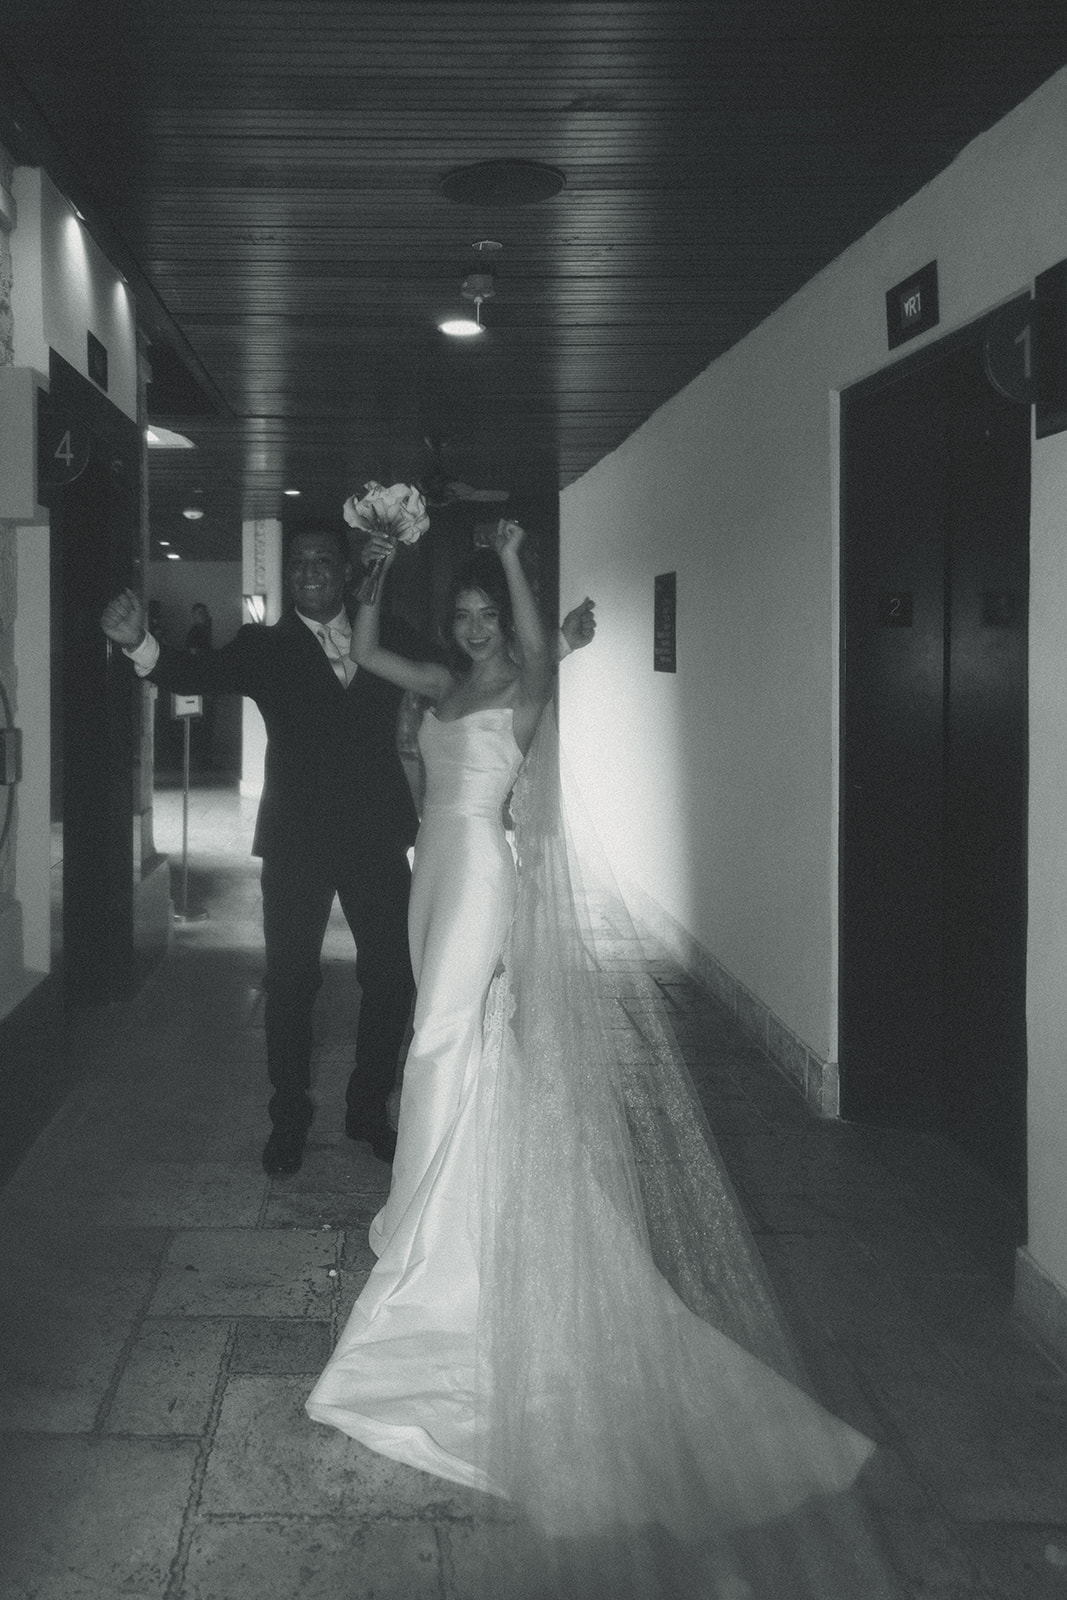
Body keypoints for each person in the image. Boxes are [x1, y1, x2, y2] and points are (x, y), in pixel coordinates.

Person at [306, 524, 898, 1600]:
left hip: (478, 863)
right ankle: (439, 1196)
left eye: (489, 614)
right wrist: (382, 557)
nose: (477, 627)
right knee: (438, 1036)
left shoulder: (525, 688)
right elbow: (357, 641)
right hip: (426, 866)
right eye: (468, 612)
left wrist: (519, 566)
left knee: (439, 1035)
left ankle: (426, 1221)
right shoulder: (437, 680)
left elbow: (540, 652)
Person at [99, 527, 595, 1181]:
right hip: (295, 842)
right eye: (298, 562)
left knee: (393, 979)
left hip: (375, 836)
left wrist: (557, 643)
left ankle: (367, 1110)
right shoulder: (262, 646)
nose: (308, 571)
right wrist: (139, 641)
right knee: (290, 986)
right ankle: (287, 1122)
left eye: (320, 560)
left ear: (342, 571)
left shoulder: (386, 631)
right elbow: (197, 672)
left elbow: (479, 675)